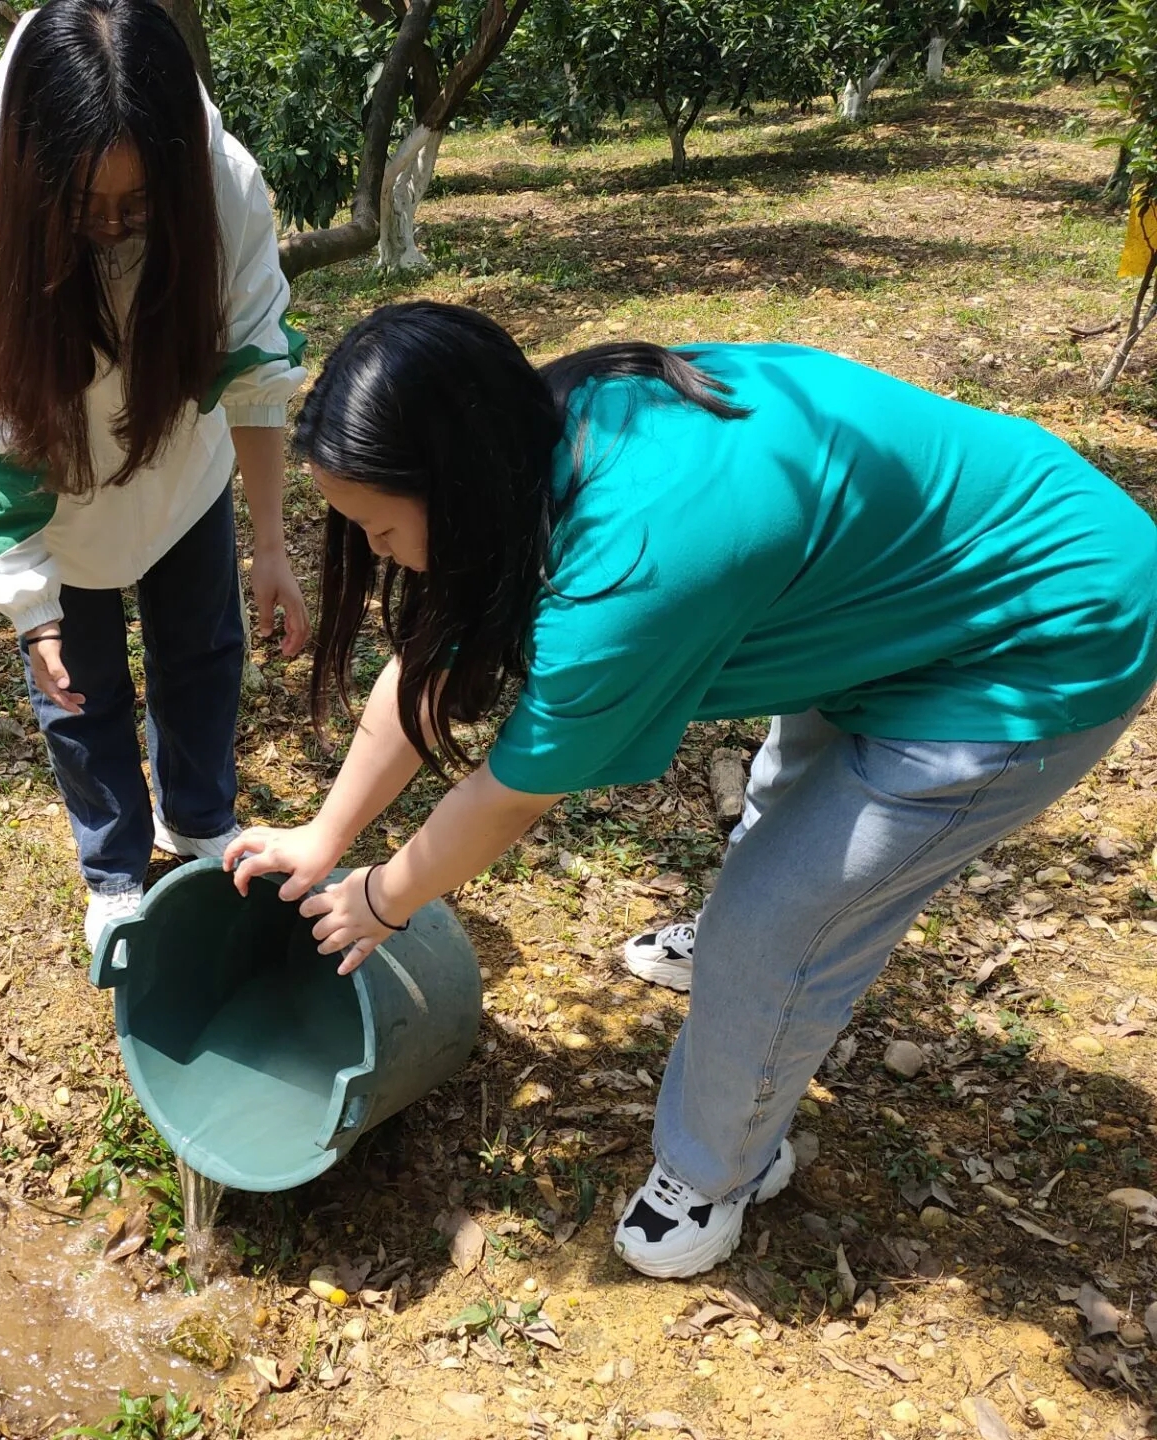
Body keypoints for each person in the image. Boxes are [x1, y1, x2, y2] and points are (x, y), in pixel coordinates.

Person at [224, 302, 1157, 1279]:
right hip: (893, 594)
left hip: (1041, 630)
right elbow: (429, 658)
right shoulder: (550, 430)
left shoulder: (634, 569)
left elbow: (509, 794)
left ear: (454, 485)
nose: (376, 554)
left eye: (380, 528)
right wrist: (325, 834)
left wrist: (381, 899)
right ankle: (741, 972)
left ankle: (722, 1168)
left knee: (778, 928)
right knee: (787, 799)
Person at [0, 0, 308, 951]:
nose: (112, 228)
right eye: (87, 207)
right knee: (78, 688)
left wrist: (269, 542)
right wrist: (32, 609)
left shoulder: (226, 186)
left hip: (181, 470)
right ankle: (111, 868)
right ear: (36, 177)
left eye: (138, 206)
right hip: (57, 492)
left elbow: (258, 369)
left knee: (202, 653)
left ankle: (197, 820)